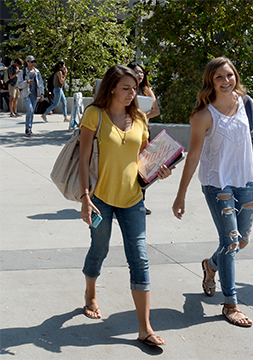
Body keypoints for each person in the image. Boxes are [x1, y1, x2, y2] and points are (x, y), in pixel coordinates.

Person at [172, 57, 253, 327]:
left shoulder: (246, 103)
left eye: (230, 75)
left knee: (242, 241)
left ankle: (210, 265)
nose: (226, 81)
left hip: (244, 181)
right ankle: (230, 303)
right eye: (219, 77)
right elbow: (192, 157)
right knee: (229, 242)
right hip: (217, 184)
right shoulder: (203, 115)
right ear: (210, 82)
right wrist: (180, 195)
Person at [79, 65, 170, 346]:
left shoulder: (140, 118)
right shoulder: (94, 115)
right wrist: (85, 198)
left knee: (139, 258)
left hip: (133, 200)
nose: (133, 94)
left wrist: (160, 169)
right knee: (100, 248)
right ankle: (90, 292)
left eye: (135, 88)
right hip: (100, 200)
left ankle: (145, 328)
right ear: (112, 89)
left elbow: (144, 158)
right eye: (126, 89)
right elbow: (83, 159)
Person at [127, 62, 160, 215]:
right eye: (135, 72)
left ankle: (140, 202)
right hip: (127, 131)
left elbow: (156, 111)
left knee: (144, 168)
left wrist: (141, 116)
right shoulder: (125, 90)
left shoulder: (147, 91)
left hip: (144, 132)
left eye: (141, 72)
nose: (139, 75)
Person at [16, 55, 45, 137]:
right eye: (31, 62)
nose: (33, 63)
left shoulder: (37, 72)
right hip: (27, 94)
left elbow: (40, 83)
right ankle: (27, 128)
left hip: (35, 94)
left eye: (34, 62)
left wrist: (42, 93)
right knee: (30, 109)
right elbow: (19, 84)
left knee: (32, 112)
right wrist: (26, 82)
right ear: (27, 62)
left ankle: (30, 128)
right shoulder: (23, 72)